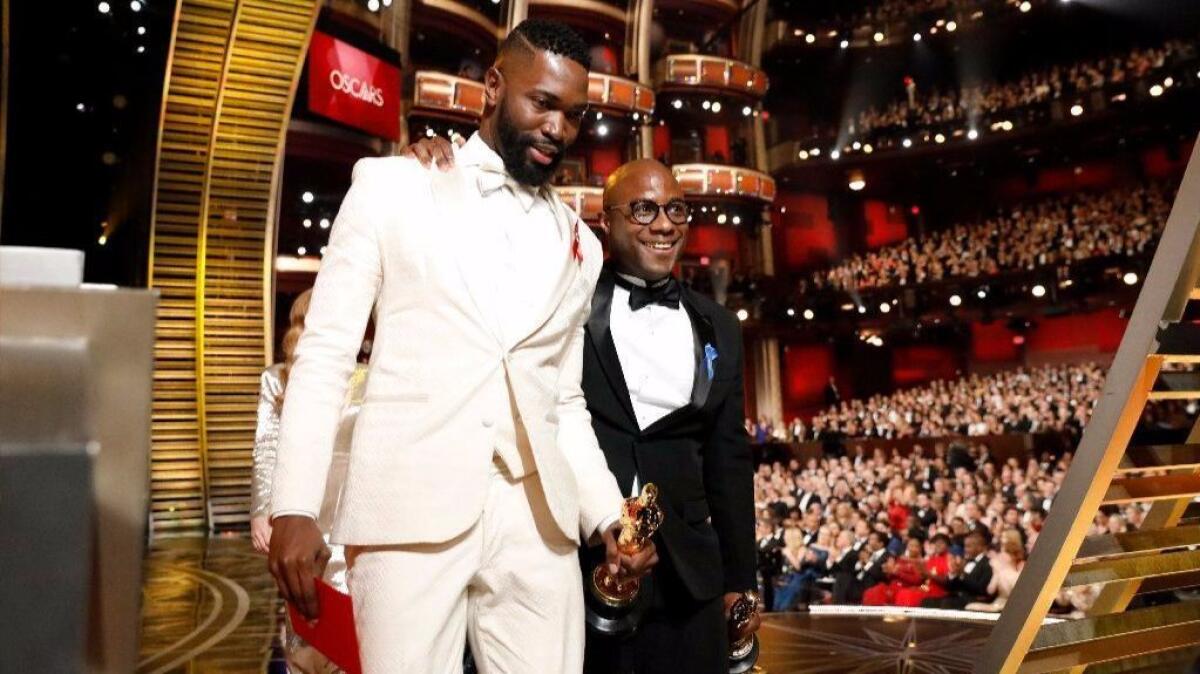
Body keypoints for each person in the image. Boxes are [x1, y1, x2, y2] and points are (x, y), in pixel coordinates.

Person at [267, 20, 656, 674]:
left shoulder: (581, 247)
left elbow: (562, 400)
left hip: (539, 527)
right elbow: (327, 354)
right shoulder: (391, 188)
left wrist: (604, 516)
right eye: (542, 103)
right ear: (496, 87)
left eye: (574, 114)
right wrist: (295, 505)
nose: (558, 128)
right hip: (407, 515)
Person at [398, 150, 760, 671]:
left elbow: (729, 461)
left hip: (693, 577)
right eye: (643, 210)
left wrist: (739, 582)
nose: (663, 224)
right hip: (579, 561)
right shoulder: (563, 302)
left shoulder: (720, 325)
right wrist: (434, 167)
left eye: (676, 210)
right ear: (604, 221)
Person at [251, 290, 365, 673]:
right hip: (303, 508)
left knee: (354, 621)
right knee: (307, 609)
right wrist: (262, 510)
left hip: (354, 508)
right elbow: (266, 447)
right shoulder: (278, 378)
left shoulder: (370, 375)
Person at [921, 530, 993, 610]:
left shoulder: (988, 563)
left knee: (946, 604)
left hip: (972, 599)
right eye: (965, 546)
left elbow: (981, 589)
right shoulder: (966, 562)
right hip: (957, 597)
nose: (965, 549)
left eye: (969, 546)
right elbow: (952, 587)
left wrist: (962, 574)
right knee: (927, 602)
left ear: (980, 547)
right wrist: (953, 574)